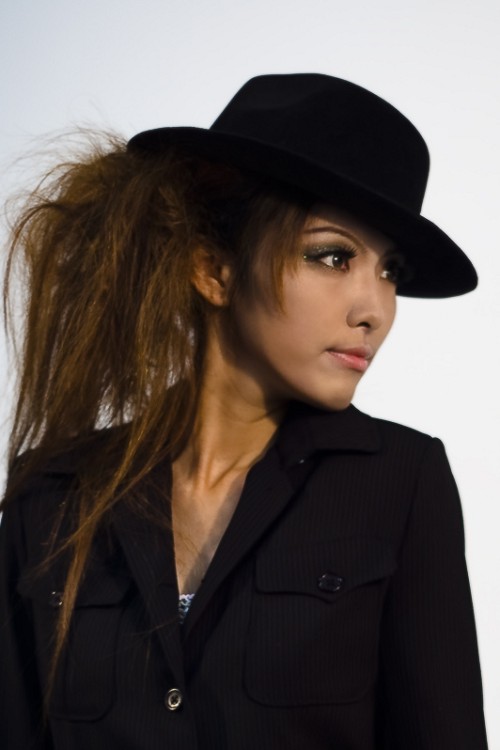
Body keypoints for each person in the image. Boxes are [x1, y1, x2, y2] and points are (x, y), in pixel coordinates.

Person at [0, 73, 489, 749]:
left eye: (391, 272)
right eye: (333, 256)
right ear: (214, 270)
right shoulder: (51, 496)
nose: (374, 309)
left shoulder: (402, 482)